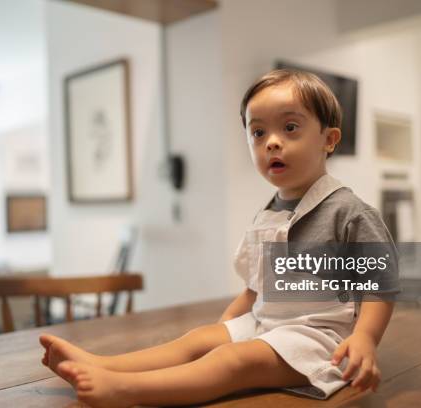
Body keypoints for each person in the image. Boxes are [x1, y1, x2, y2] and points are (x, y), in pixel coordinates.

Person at [39, 68, 400, 408]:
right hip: (266, 323)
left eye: (290, 128)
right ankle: (105, 364)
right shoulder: (268, 212)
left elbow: (380, 285)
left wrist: (365, 338)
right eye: (259, 133)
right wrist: (225, 327)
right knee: (198, 340)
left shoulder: (348, 212)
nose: (272, 142)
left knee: (232, 360)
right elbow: (255, 289)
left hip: (319, 338)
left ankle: (125, 390)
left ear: (329, 140)